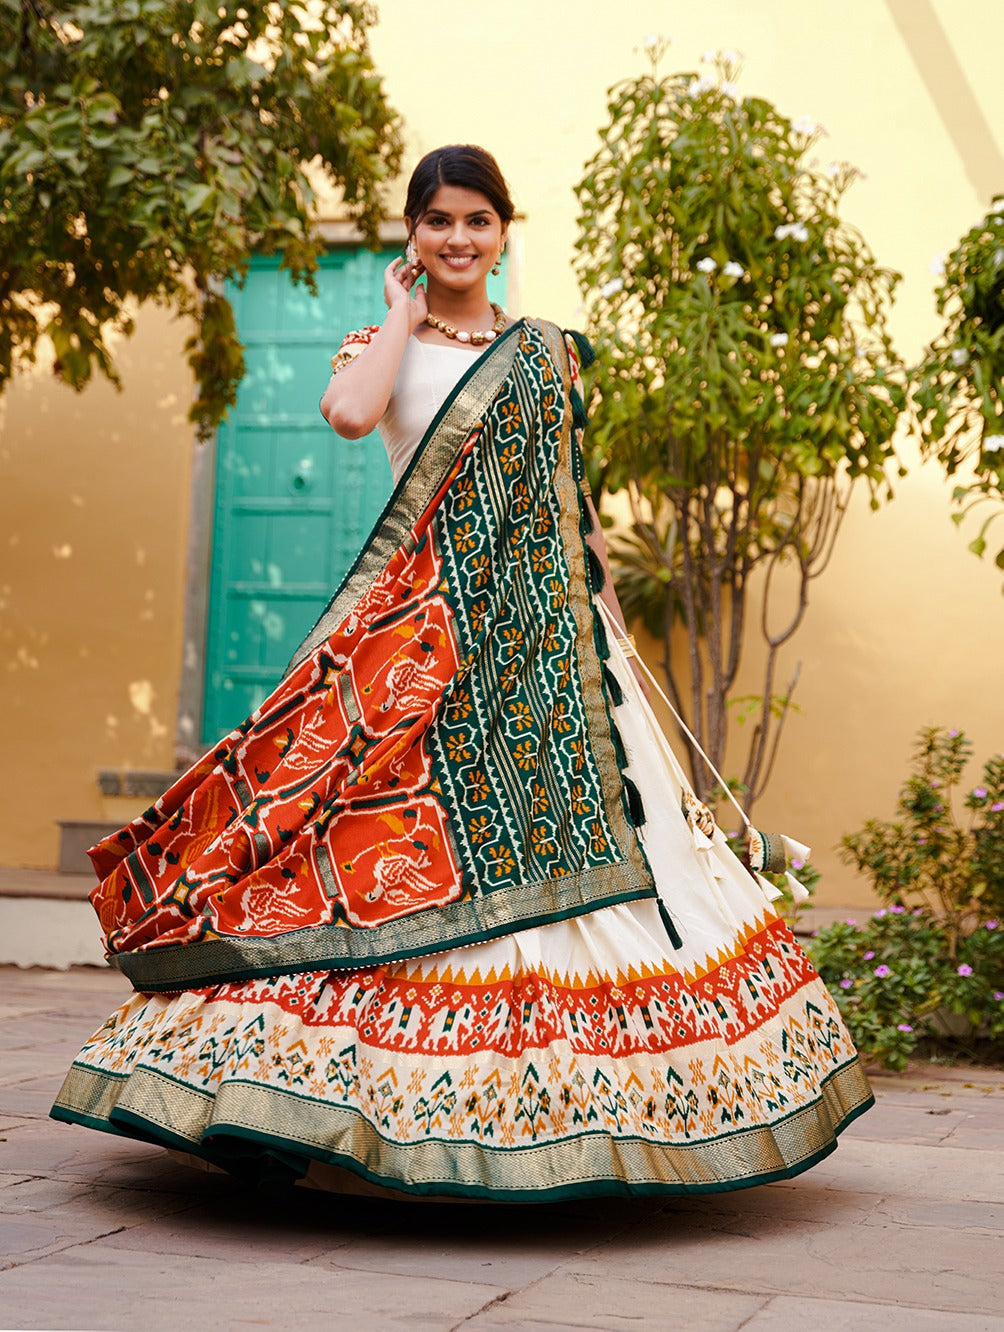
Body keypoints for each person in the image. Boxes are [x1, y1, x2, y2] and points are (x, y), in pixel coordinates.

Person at [52, 145, 872, 1200]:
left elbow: (571, 518)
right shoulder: (379, 346)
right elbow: (350, 416)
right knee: (401, 852)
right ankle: (339, 1111)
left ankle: (613, 1118)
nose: (457, 239)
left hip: (550, 650)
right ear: (413, 233)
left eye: (476, 221)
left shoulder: (548, 356)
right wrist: (396, 313)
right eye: (438, 221)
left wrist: (608, 633)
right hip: (426, 652)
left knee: (621, 863)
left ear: (501, 230)